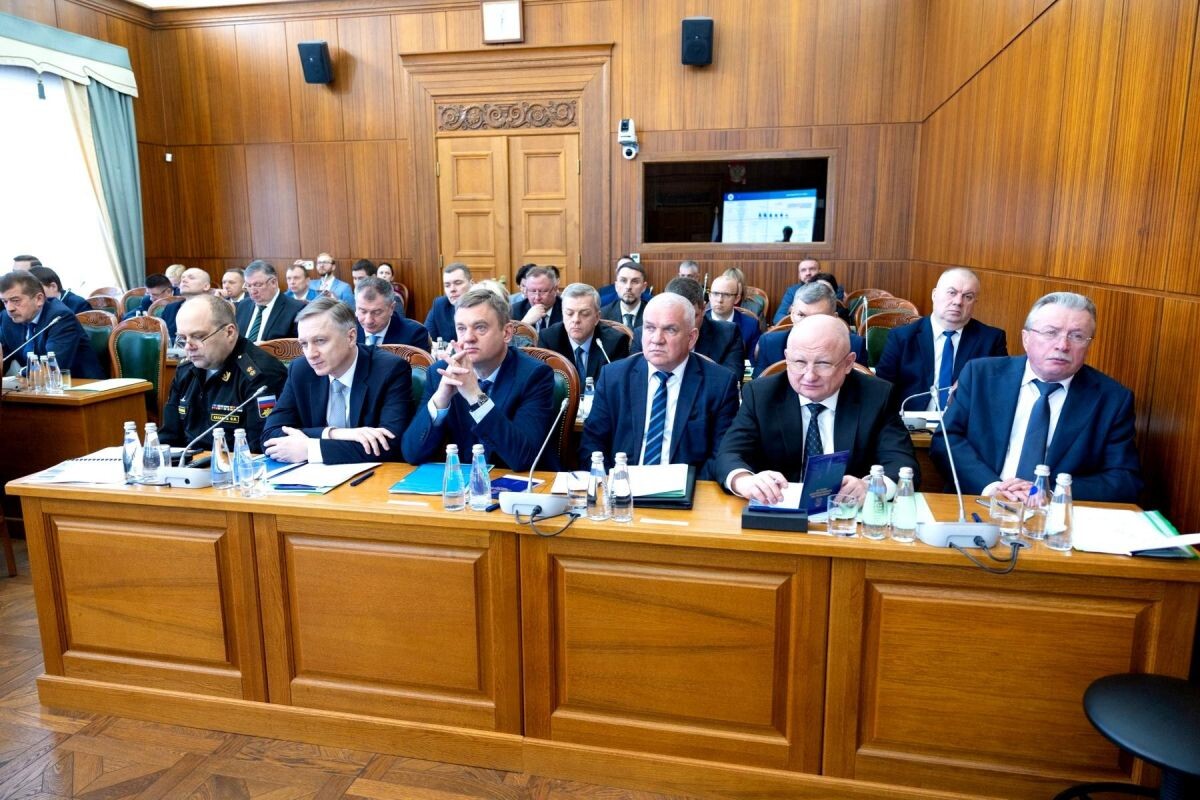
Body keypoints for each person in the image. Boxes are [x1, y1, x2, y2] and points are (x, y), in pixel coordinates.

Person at [932, 292, 1142, 503]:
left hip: (1053, 513)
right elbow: (946, 440)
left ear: (1088, 345)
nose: (1062, 345)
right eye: (1051, 333)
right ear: (1026, 338)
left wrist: (1050, 491)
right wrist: (992, 487)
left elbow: (1124, 479)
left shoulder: (1112, 399)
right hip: (979, 503)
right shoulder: (981, 375)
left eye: (1077, 336)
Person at [716, 315, 919, 504]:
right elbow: (729, 454)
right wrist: (745, 481)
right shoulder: (761, 395)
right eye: (799, 362)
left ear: (848, 363)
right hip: (778, 511)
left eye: (823, 363)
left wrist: (872, 487)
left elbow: (903, 464)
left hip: (846, 514)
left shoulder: (876, 396)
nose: (809, 376)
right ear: (787, 358)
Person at [580, 293, 738, 480]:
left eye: (670, 330)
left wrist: (688, 488)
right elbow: (592, 444)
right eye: (649, 328)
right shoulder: (613, 377)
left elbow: (721, 456)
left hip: (687, 490)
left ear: (691, 337)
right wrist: (613, 484)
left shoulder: (719, 384)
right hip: (622, 487)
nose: (656, 339)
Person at [402, 288, 556, 471]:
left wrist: (475, 395)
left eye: (480, 327)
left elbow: (523, 458)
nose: (468, 338)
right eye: (461, 328)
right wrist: (441, 400)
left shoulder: (534, 375)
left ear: (507, 333)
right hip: (460, 482)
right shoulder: (441, 373)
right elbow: (412, 454)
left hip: (517, 482)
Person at [263, 297, 414, 464]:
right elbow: (270, 435)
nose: (311, 354)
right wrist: (334, 433)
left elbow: (390, 444)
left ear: (351, 337)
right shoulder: (301, 369)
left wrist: (310, 449)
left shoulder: (390, 369)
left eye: (320, 341)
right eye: (304, 344)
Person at [158, 294, 287, 453]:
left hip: (234, 464)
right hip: (186, 463)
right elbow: (169, 435)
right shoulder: (185, 370)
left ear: (229, 332)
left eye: (198, 337)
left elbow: (259, 447)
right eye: (182, 338)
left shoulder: (260, 374)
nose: (188, 347)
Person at [875, 268, 1007, 412]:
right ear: (934, 294)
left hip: (964, 422)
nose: (958, 302)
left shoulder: (991, 340)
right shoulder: (902, 337)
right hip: (911, 421)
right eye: (952, 293)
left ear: (975, 302)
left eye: (968, 296)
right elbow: (882, 390)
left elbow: (1000, 390)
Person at [634, 277, 745, 380]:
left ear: (703, 309)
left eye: (692, 316)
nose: (686, 324)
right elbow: (635, 377)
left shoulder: (728, 334)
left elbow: (732, 381)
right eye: (675, 318)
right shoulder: (644, 334)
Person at [0, 271, 104, 378]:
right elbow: (3, 357)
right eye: (5, 301)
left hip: (80, 383)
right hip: (37, 384)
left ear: (39, 299)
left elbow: (53, 366)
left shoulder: (60, 317)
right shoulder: (7, 319)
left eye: (16, 300)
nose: (9, 308)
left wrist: (21, 372)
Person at [753, 282, 866, 377]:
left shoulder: (855, 345)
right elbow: (759, 390)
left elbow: (861, 390)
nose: (808, 323)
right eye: (801, 315)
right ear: (792, 315)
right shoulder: (770, 344)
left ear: (834, 318)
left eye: (818, 317)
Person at [538, 283, 630, 383]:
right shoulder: (548, 339)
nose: (576, 320)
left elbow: (616, 384)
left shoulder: (615, 342)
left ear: (597, 317)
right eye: (569, 313)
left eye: (584, 314)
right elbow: (542, 382)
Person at [235, 260, 304, 343]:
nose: (252, 291)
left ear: (273, 282)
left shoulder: (296, 309)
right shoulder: (242, 305)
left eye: (257, 285)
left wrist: (267, 348)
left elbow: (297, 347)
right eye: (248, 285)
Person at [354, 277, 430, 350]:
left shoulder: (414, 334)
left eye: (377, 312)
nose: (368, 321)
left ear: (392, 308)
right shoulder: (348, 330)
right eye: (363, 311)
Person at [707, 272, 760, 355]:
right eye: (715, 294)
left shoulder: (751, 325)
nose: (720, 300)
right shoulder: (698, 322)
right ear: (710, 296)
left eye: (726, 295)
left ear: (736, 299)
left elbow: (752, 361)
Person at [158, 267, 211, 341]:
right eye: (182, 278)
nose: (183, 280)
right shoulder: (170, 308)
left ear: (206, 286)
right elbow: (159, 336)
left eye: (191, 278)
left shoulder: (213, 309)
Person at [424, 262, 472, 344]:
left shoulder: (483, 306)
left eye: (458, 283)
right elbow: (425, 339)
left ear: (471, 283)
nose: (452, 289)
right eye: (447, 285)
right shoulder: (440, 305)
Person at [599, 258, 649, 329]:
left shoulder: (653, 314)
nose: (628, 287)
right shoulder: (603, 315)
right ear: (616, 286)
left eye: (635, 281)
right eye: (623, 281)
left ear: (644, 287)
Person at [511, 266, 563, 333]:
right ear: (526, 291)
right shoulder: (514, 311)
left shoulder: (566, 310)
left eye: (543, 291)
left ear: (555, 289)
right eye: (532, 291)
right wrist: (524, 324)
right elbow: (507, 338)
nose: (537, 297)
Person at [772, 258, 821, 324]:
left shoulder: (832, 290)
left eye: (812, 269)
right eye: (803, 270)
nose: (808, 273)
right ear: (799, 275)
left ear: (819, 272)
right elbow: (777, 318)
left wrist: (800, 312)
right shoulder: (792, 291)